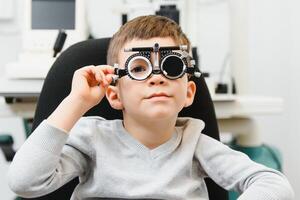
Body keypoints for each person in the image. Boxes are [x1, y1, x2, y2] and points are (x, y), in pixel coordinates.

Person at [8, 15, 294, 200]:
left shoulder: (195, 144)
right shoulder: (92, 139)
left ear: (189, 92)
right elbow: (24, 182)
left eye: (170, 66)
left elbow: (274, 183)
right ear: (114, 95)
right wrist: (76, 102)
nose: (157, 77)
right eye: (140, 67)